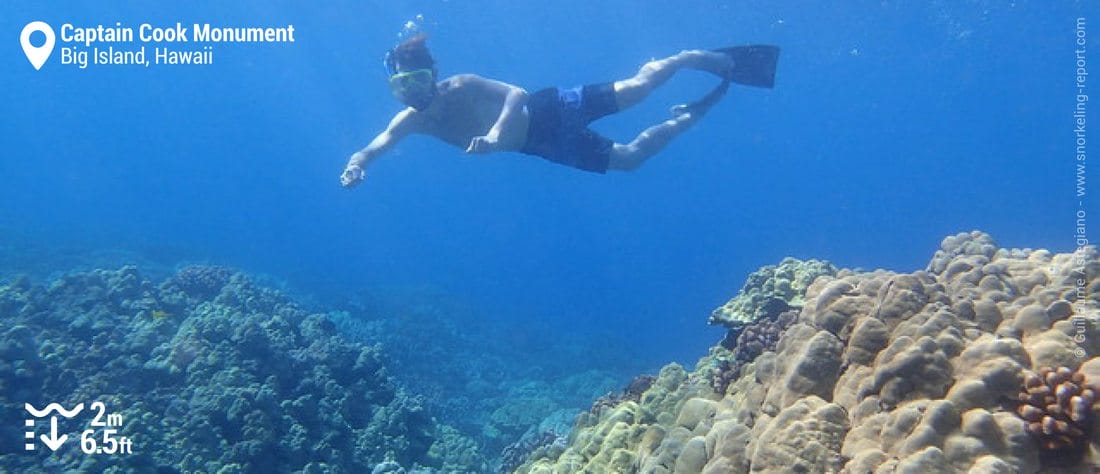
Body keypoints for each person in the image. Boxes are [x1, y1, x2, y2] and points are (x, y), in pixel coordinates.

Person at [340, 35, 777, 187]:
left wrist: (494, 136)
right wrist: (356, 166)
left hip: (551, 109)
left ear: (432, 74)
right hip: (541, 145)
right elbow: (374, 147)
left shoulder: (462, 85)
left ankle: (686, 59)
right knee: (630, 160)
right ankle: (693, 115)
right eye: (401, 85)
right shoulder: (411, 122)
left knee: (637, 89)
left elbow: (515, 93)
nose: (412, 92)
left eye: (417, 80)